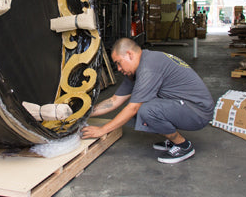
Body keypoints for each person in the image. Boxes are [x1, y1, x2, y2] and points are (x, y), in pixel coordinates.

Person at [81, 38, 214, 164]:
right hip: (183, 105)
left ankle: (183, 146)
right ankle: (172, 140)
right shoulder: (136, 71)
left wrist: (101, 130)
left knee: (145, 110)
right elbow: (114, 100)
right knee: (138, 112)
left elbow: (133, 107)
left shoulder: (149, 67)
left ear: (129, 54)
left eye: (118, 63)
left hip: (198, 111)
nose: (119, 69)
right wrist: (83, 114)